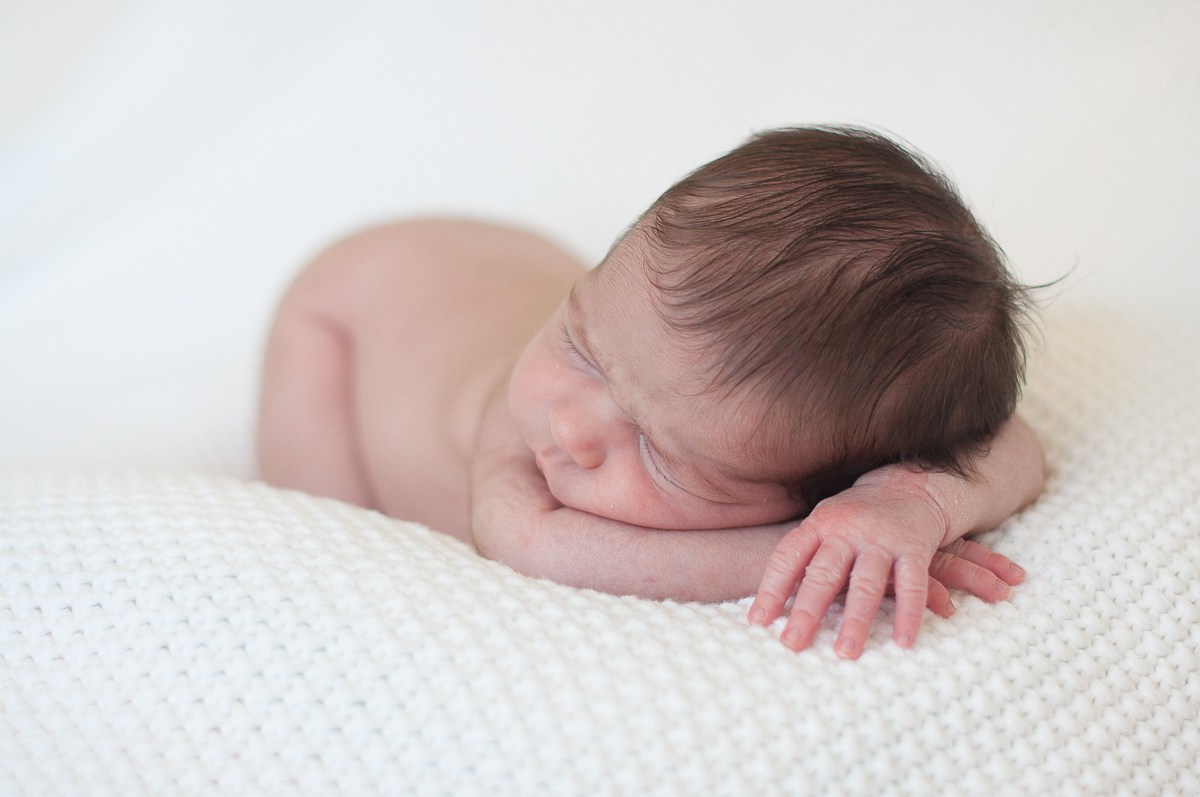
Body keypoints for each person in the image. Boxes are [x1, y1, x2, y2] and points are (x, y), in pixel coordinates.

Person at [258, 126, 1045, 659]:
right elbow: (526, 543)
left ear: (823, 479)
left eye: (659, 452)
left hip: (508, 276)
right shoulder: (519, 433)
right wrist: (808, 555)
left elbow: (1014, 444)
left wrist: (908, 505)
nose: (571, 425)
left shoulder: (783, 413)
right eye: (578, 343)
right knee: (323, 523)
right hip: (353, 310)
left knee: (647, 348)